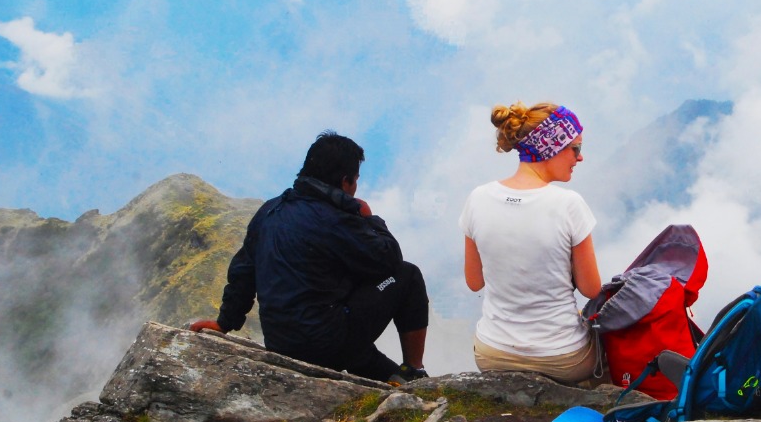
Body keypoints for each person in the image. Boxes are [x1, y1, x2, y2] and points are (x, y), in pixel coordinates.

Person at [190, 131, 429, 384]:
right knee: (406, 274)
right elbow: (388, 258)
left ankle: (395, 379)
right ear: (346, 181)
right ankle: (414, 369)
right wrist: (370, 218)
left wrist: (224, 323)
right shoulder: (335, 218)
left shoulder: (269, 211)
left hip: (280, 342)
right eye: (356, 180)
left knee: (341, 321)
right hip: (325, 345)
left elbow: (244, 273)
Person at [459, 102, 603, 386]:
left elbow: (474, 282)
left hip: (492, 353)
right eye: (575, 148)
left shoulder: (478, 198)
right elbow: (591, 289)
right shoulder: (568, 204)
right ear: (552, 147)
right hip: (562, 358)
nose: (580, 157)